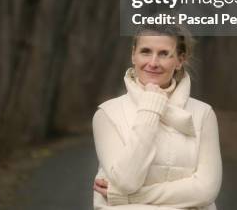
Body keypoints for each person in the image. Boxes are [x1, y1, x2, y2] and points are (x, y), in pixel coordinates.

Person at [92, 24, 222, 209]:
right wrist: (150, 108)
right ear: (133, 55)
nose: (153, 62)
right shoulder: (107, 113)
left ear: (180, 60)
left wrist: (127, 198)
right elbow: (126, 181)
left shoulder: (204, 114)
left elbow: (206, 190)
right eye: (145, 51)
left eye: (164, 54)